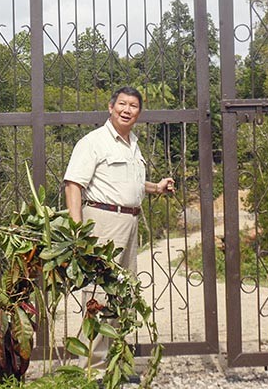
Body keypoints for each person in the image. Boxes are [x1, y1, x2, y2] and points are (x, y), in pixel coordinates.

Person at [63, 86, 174, 370]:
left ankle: (113, 366)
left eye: (133, 106)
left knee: (122, 294)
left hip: (129, 224)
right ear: (110, 107)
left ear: (139, 112)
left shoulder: (132, 143)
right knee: (99, 296)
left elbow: (127, 184)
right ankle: (92, 370)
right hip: (102, 224)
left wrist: (156, 188)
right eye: (122, 104)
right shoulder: (94, 142)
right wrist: (78, 230)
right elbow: (74, 184)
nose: (127, 110)